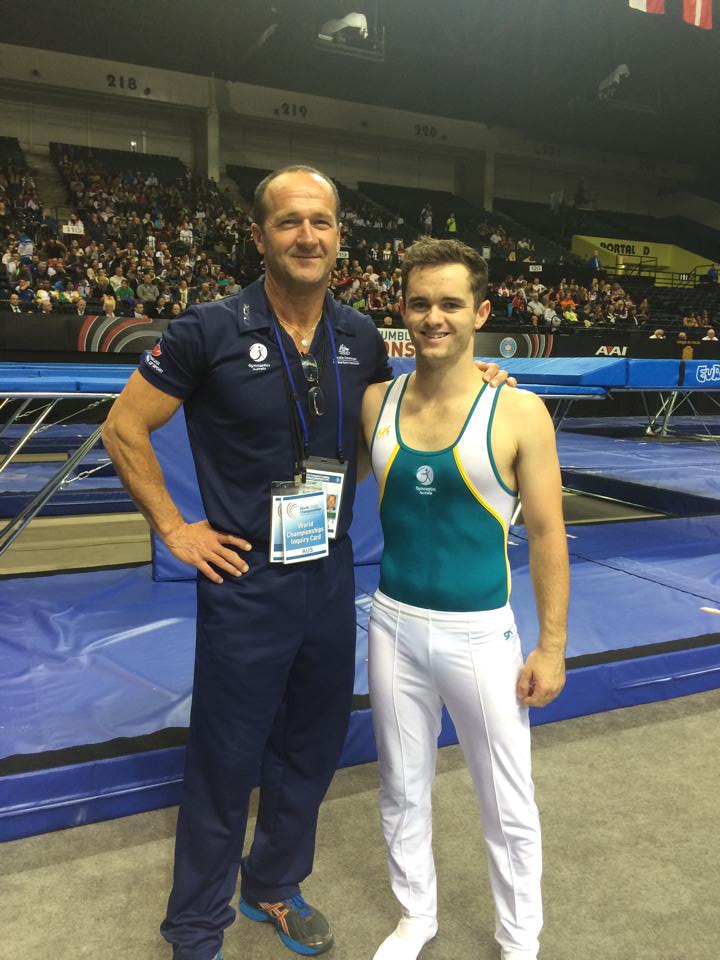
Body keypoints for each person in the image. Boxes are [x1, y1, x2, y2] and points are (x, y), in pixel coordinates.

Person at [102, 165, 512, 960]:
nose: (306, 235)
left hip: (328, 573)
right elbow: (125, 427)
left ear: (338, 238)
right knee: (226, 757)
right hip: (244, 579)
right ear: (260, 236)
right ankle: (194, 926)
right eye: (289, 222)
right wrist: (175, 528)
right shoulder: (208, 329)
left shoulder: (358, 335)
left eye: (320, 222)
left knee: (311, 744)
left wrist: (479, 376)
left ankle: (274, 885)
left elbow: (411, 413)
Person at [359, 238, 569, 960]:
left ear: (481, 313)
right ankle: (416, 916)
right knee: (401, 785)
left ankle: (519, 940)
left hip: (480, 636)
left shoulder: (518, 413)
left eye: (450, 304)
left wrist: (551, 646)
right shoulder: (374, 403)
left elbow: (547, 536)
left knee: (506, 801)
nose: (434, 317)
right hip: (391, 626)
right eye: (420, 303)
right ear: (403, 312)